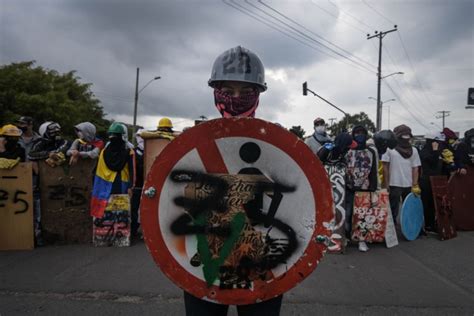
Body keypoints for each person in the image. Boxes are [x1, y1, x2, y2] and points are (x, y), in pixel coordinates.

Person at [181, 46, 283, 316]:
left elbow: (293, 203)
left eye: (245, 92)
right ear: (216, 92)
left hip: (259, 259)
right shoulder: (194, 144)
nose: (236, 99)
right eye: (229, 91)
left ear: (258, 94)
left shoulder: (277, 145)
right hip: (207, 258)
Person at [90, 122, 135, 218]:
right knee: (119, 213)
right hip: (122, 185)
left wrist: (95, 186)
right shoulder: (128, 152)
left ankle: (106, 231)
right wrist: (131, 186)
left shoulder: (104, 152)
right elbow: (132, 170)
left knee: (106, 212)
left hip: (104, 186)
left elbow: (96, 171)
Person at [344, 125, 378, 252]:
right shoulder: (347, 150)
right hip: (349, 188)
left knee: (362, 216)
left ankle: (361, 241)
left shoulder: (371, 152)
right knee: (347, 215)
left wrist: (374, 188)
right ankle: (346, 238)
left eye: (362, 133)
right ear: (353, 135)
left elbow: (373, 171)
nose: (360, 135)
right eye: (357, 133)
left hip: (364, 189)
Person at [381, 124, 421, 223]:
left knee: (409, 209)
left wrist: (415, 184)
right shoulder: (389, 149)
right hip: (394, 184)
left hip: (409, 184)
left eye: (407, 136)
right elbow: (385, 166)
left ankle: (408, 228)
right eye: (403, 135)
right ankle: (392, 230)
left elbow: (415, 168)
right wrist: (386, 184)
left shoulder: (414, 150)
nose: (406, 138)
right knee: (393, 209)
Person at [419, 132, 445, 232]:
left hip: (436, 181)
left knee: (434, 204)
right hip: (426, 181)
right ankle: (426, 225)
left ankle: (432, 224)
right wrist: (435, 151)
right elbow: (433, 162)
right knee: (426, 203)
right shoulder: (425, 151)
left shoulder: (439, 152)